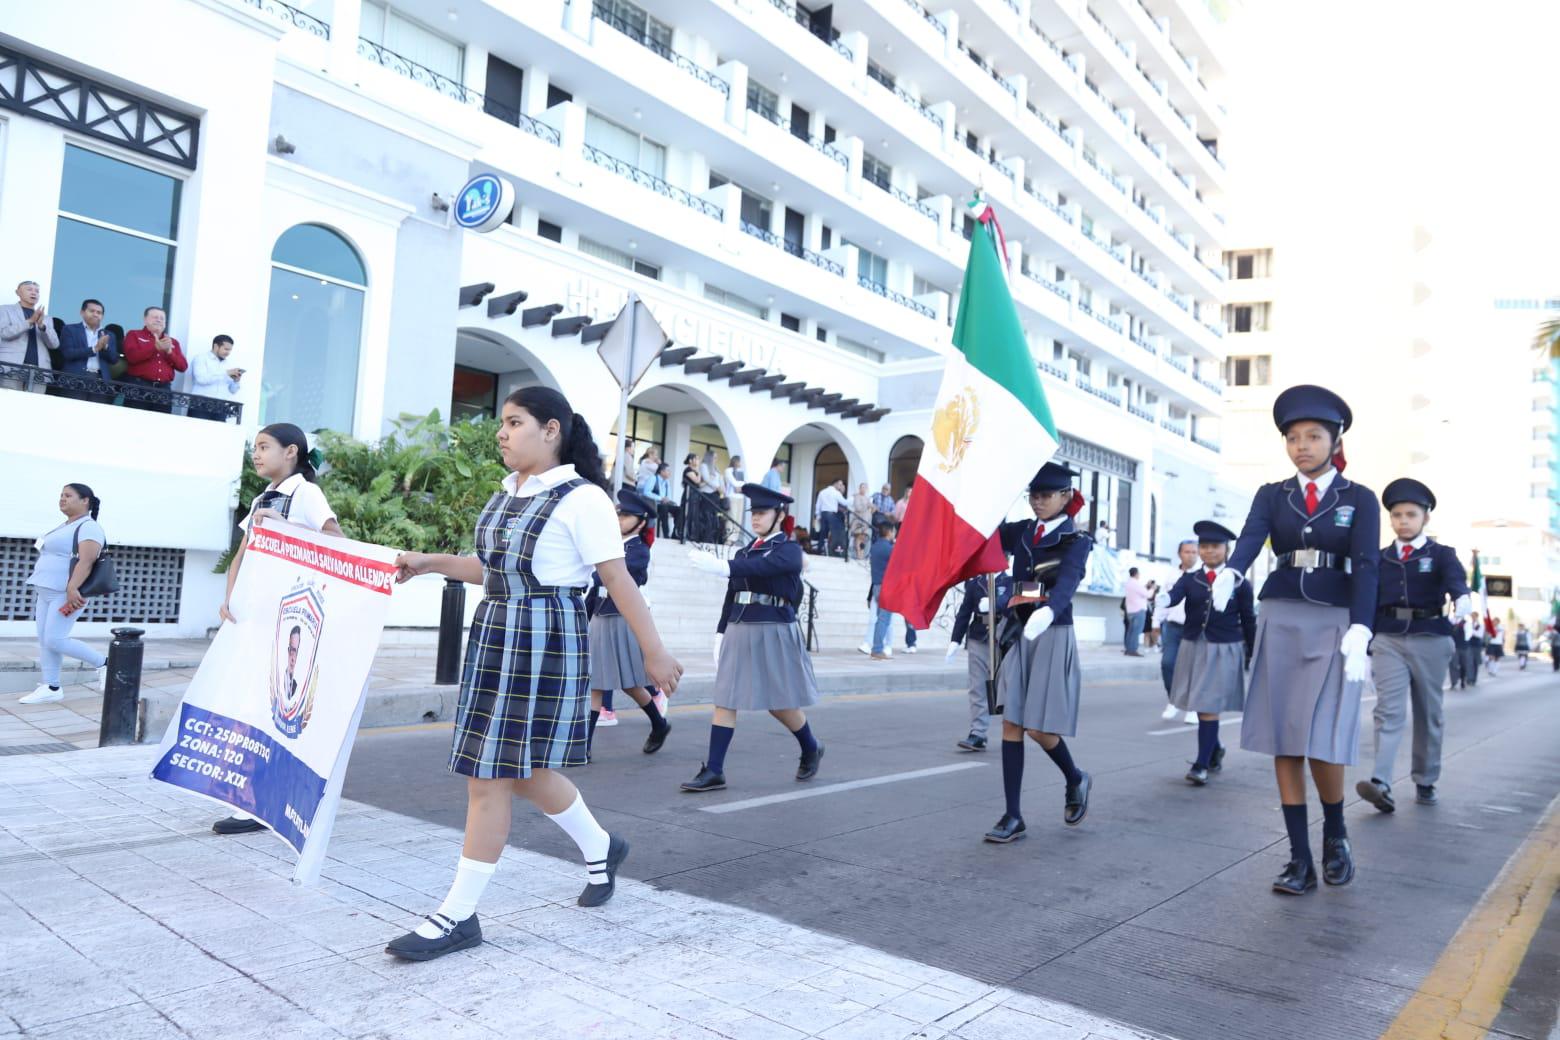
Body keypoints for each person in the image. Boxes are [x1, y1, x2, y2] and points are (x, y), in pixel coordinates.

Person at [386, 387, 682, 961]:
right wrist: (429, 564)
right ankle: (602, 849)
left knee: (489, 776)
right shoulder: (506, 493)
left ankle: (457, 917)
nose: (501, 432)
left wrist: (654, 653)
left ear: (551, 431)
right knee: (521, 773)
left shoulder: (583, 499)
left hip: (545, 640)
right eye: (502, 422)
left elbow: (617, 580)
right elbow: (493, 569)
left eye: (513, 422)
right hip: (497, 632)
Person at [1220, 384, 1377, 895]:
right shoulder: (1273, 494)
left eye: (1313, 436)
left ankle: (1334, 831)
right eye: (1293, 437)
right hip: (1282, 613)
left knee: (1324, 739)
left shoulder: (1360, 499)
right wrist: (1233, 572)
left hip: (1334, 619)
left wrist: (1362, 624)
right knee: (1284, 740)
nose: (1302, 445)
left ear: (1335, 441)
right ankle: (1298, 859)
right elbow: (1250, 536)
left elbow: (1369, 566)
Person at [212, 423, 344, 836]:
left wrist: (285, 528)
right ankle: (254, 796)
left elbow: (336, 542)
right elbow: (243, 552)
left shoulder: (306, 493)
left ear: (291, 452)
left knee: (274, 708)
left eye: (264, 447)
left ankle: (258, 802)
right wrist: (230, 599)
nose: (257, 454)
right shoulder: (262, 498)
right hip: (256, 615)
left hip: (289, 619)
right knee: (247, 704)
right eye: (255, 447)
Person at [682, 484, 823, 791]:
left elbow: (764, 567)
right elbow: (732, 594)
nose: (756, 518)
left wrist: (723, 566)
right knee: (725, 698)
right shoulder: (745, 551)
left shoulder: (788, 549)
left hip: (773, 628)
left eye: (762, 513)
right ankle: (715, 769)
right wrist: (720, 632)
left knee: (779, 702)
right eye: (754, 513)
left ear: (779, 515)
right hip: (739, 627)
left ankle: (810, 746)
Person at [985, 463, 1094, 844]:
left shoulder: (1076, 540)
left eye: (1046, 495)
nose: (1038, 502)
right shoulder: (1025, 532)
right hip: (1020, 632)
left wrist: (1049, 610)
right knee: (1012, 722)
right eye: (1033, 495)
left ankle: (1074, 776)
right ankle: (1013, 815)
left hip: (1051, 631)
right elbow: (989, 536)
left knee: (1038, 728)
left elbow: (1068, 581)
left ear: (1065, 496)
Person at [1356, 478, 1469, 816]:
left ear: (1425, 519)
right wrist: (1363, 642)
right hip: (1388, 638)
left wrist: (1462, 599)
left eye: (1410, 514)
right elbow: (1367, 598)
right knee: (1388, 711)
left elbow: (1456, 582)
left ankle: (1425, 779)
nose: (1403, 520)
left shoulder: (1441, 554)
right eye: (1397, 515)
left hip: (1431, 637)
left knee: (1429, 713)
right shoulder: (1380, 558)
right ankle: (1381, 782)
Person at [1164, 521, 1256, 785]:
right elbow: (1175, 595)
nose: (1208, 552)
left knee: (1206, 706)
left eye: (1214, 547)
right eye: (1203, 546)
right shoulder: (1191, 578)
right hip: (1193, 645)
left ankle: (1201, 764)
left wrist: (1253, 652)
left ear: (1226, 550)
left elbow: (1248, 619)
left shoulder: (1239, 583)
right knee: (1201, 703)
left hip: (1223, 648)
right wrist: (1162, 601)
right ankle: (1214, 749)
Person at [585, 486, 673, 758]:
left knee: (631, 683)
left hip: (624, 618)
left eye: (626, 515)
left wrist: (592, 571)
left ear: (642, 521)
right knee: (596, 681)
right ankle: (583, 746)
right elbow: (594, 589)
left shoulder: (638, 550)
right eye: (618, 514)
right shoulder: (610, 546)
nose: (619, 519)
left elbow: (617, 576)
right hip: (601, 616)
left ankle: (659, 723)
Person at [20, 483, 109, 704]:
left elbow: (87, 561)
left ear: (85, 500)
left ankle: (106, 663)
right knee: (45, 640)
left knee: (55, 639)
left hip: (67, 593)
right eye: (61, 495)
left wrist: (72, 589)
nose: (62, 499)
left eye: (68, 495)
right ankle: (51, 686)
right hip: (46, 591)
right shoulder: (66, 525)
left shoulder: (89, 526)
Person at [946, 571, 1014, 751]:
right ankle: (978, 733)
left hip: (1003, 637)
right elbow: (964, 612)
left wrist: (994, 604)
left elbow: (1012, 601)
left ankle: (1012, 732)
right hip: (978, 637)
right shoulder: (975, 583)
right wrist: (955, 640)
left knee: (1006, 686)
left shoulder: (1010, 580)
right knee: (977, 687)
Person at [1157, 540, 1200, 720]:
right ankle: (1174, 701)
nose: (1190, 555)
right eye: (1186, 551)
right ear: (1179, 554)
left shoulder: (1201, 575)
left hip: (1194, 628)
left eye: (1193, 552)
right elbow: (1163, 600)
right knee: (1168, 664)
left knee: (1192, 669)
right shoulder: (1171, 574)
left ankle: (1192, 707)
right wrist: (1155, 623)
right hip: (1173, 626)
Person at [120, 306, 187, 412]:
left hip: (163, 390)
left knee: (160, 425)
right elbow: (131, 357)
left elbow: (183, 367)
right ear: (145, 319)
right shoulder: (134, 334)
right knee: (133, 423)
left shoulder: (172, 342)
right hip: (138, 387)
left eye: (162, 318)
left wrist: (169, 352)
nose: (159, 320)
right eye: (155, 317)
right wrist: (155, 346)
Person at [56, 298, 118, 403]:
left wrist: (105, 347)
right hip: (75, 379)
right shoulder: (70, 329)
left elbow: (114, 359)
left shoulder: (108, 334)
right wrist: (94, 349)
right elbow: (68, 354)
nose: (95, 314)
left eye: (99, 312)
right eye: (92, 311)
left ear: (102, 316)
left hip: (100, 381)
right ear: (82, 312)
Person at [0, 280, 58, 392]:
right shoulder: (5, 310)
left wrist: (42, 326)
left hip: (39, 370)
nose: (34, 293)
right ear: (18, 292)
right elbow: (4, 333)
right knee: (10, 403)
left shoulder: (46, 318)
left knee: (35, 406)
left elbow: (54, 344)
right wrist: (30, 321)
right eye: (29, 289)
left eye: (37, 291)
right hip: (11, 367)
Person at [188, 334, 244, 421]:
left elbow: (232, 391)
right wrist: (226, 373)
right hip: (200, 404)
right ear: (216, 346)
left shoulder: (229, 364)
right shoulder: (200, 358)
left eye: (230, 350)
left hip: (221, 407)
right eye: (226, 349)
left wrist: (236, 381)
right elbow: (201, 379)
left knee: (218, 434)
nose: (228, 352)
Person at [865, 522, 898, 660]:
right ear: (889, 532)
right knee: (884, 620)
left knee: (881, 619)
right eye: (894, 531)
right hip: (887, 587)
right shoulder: (889, 548)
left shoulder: (875, 547)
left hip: (877, 586)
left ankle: (878, 648)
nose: (894, 533)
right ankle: (877, 649)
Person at [637, 461, 675, 538]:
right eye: (668, 470)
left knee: (679, 510)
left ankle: (676, 534)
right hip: (655, 504)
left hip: (664, 504)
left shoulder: (667, 482)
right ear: (662, 471)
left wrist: (668, 500)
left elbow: (669, 496)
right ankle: (666, 535)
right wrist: (661, 498)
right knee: (664, 509)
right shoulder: (653, 478)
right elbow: (646, 492)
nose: (669, 473)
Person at [814, 478, 847, 558]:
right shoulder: (836, 493)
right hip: (832, 514)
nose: (840, 486)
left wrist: (818, 515)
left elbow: (818, 505)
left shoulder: (822, 492)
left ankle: (820, 551)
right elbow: (844, 502)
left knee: (823, 533)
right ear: (835, 484)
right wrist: (853, 499)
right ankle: (833, 552)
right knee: (835, 533)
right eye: (840, 484)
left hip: (823, 514)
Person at [850, 482, 873, 560]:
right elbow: (858, 508)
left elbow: (870, 510)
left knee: (864, 538)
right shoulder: (856, 497)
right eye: (862, 487)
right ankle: (858, 555)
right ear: (859, 488)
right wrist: (867, 505)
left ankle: (861, 555)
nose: (863, 489)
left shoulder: (867, 498)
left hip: (866, 521)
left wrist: (872, 507)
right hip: (858, 521)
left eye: (865, 487)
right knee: (859, 536)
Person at [1462, 612, 1483, 687]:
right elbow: (1466, 633)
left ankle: (1474, 679)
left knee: (1475, 663)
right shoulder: (1468, 624)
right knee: (1469, 662)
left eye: (1474, 616)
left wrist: (1472, 631)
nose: (1473, 618)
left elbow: (1479, 635)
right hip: (1469, 644)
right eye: (1472, 616)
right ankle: (1469, 678)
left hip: (1477, 645)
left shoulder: (1480, 625)